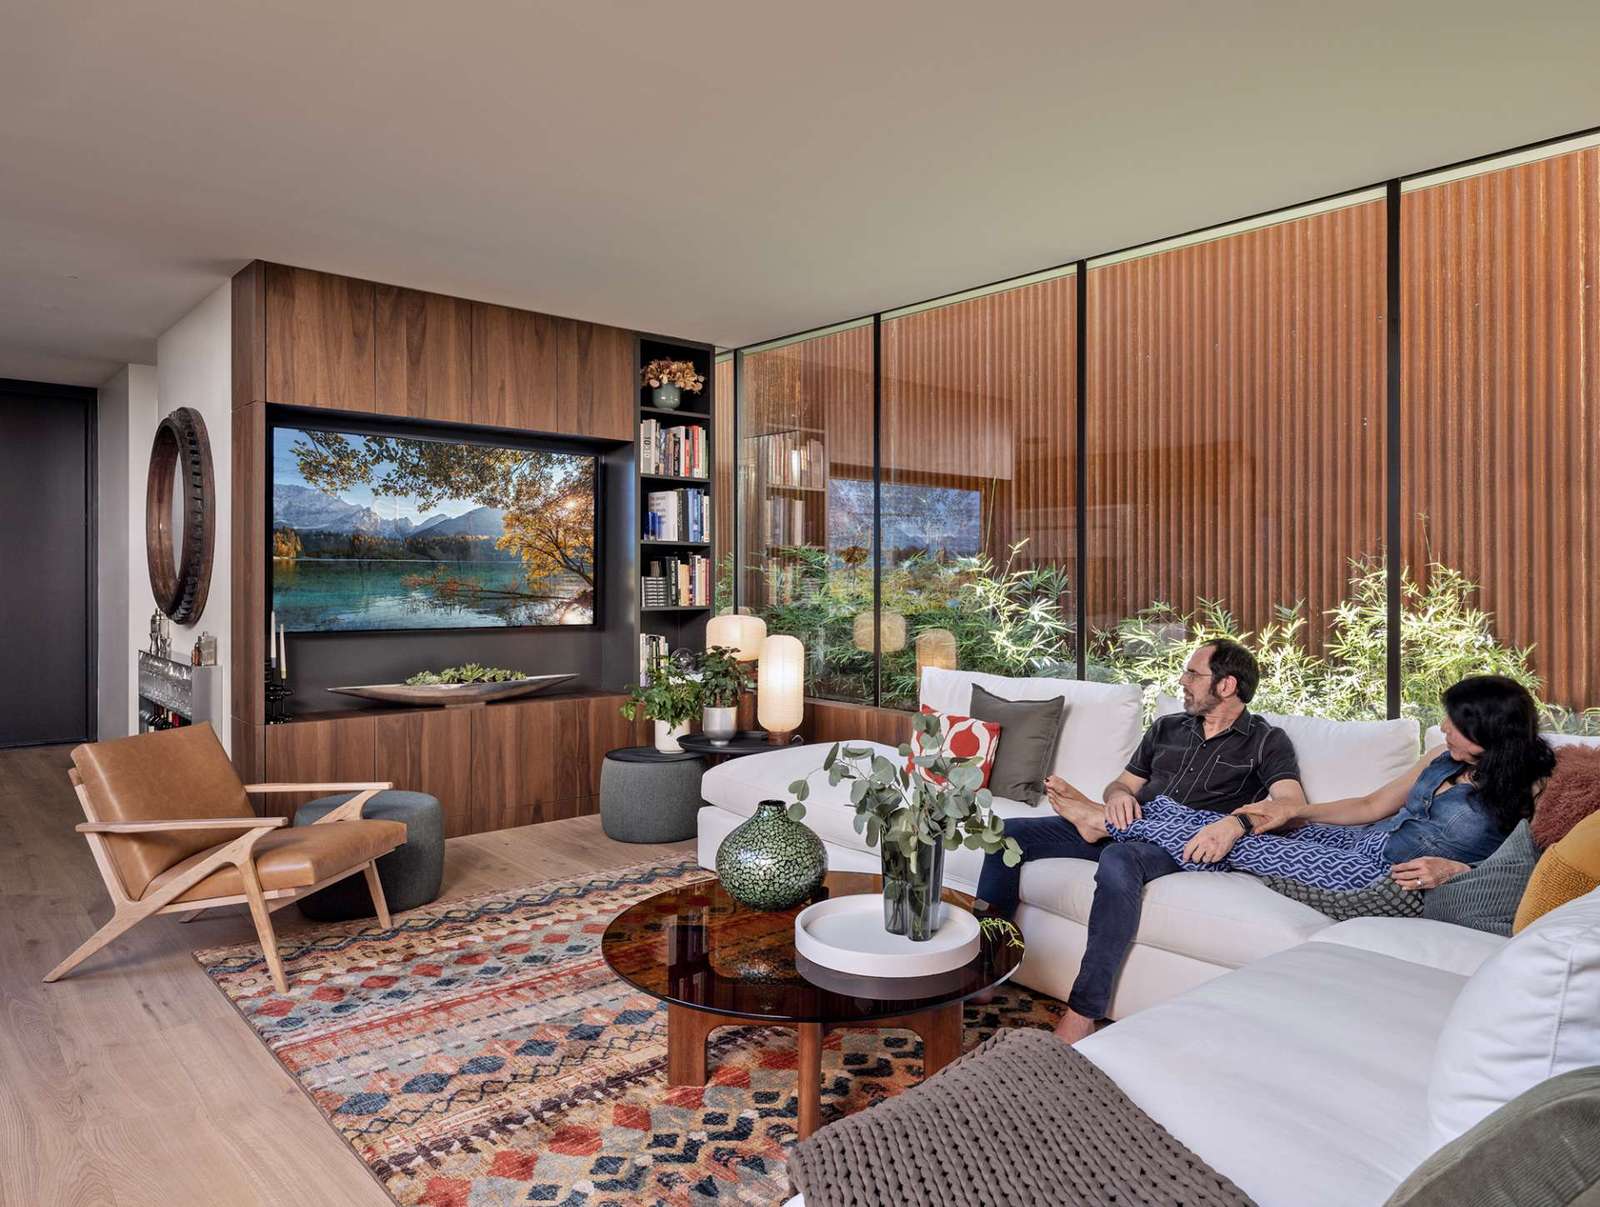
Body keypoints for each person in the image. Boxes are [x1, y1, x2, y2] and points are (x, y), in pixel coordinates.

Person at [974, 638, 1307, 1043]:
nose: (1182, 681)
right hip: (1130, 822)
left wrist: (1235, 824)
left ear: (1226, 685)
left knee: (1119, 858)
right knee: (1005, 835)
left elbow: (1291, 803)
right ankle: (986, 969)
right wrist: (1118, 798)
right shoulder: (1167, 727)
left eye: (1193, 674)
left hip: (1175, 845)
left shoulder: (1266, 741)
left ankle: (1083, 1012)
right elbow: (1122, 783)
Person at [1049, 673, 1555, 901]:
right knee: (1252, 824)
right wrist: (1291, 813)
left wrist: (1461, 871)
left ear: (1489, 731)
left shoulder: (1535, 788)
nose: (1442, 729)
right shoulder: (1440, 758)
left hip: (1382, 875)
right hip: (1364, 841)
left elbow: (1533, 871)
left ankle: (1102, 822)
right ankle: (1104, 819)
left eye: (1453, 724)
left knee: (1244, 846)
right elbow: (1371, 805)